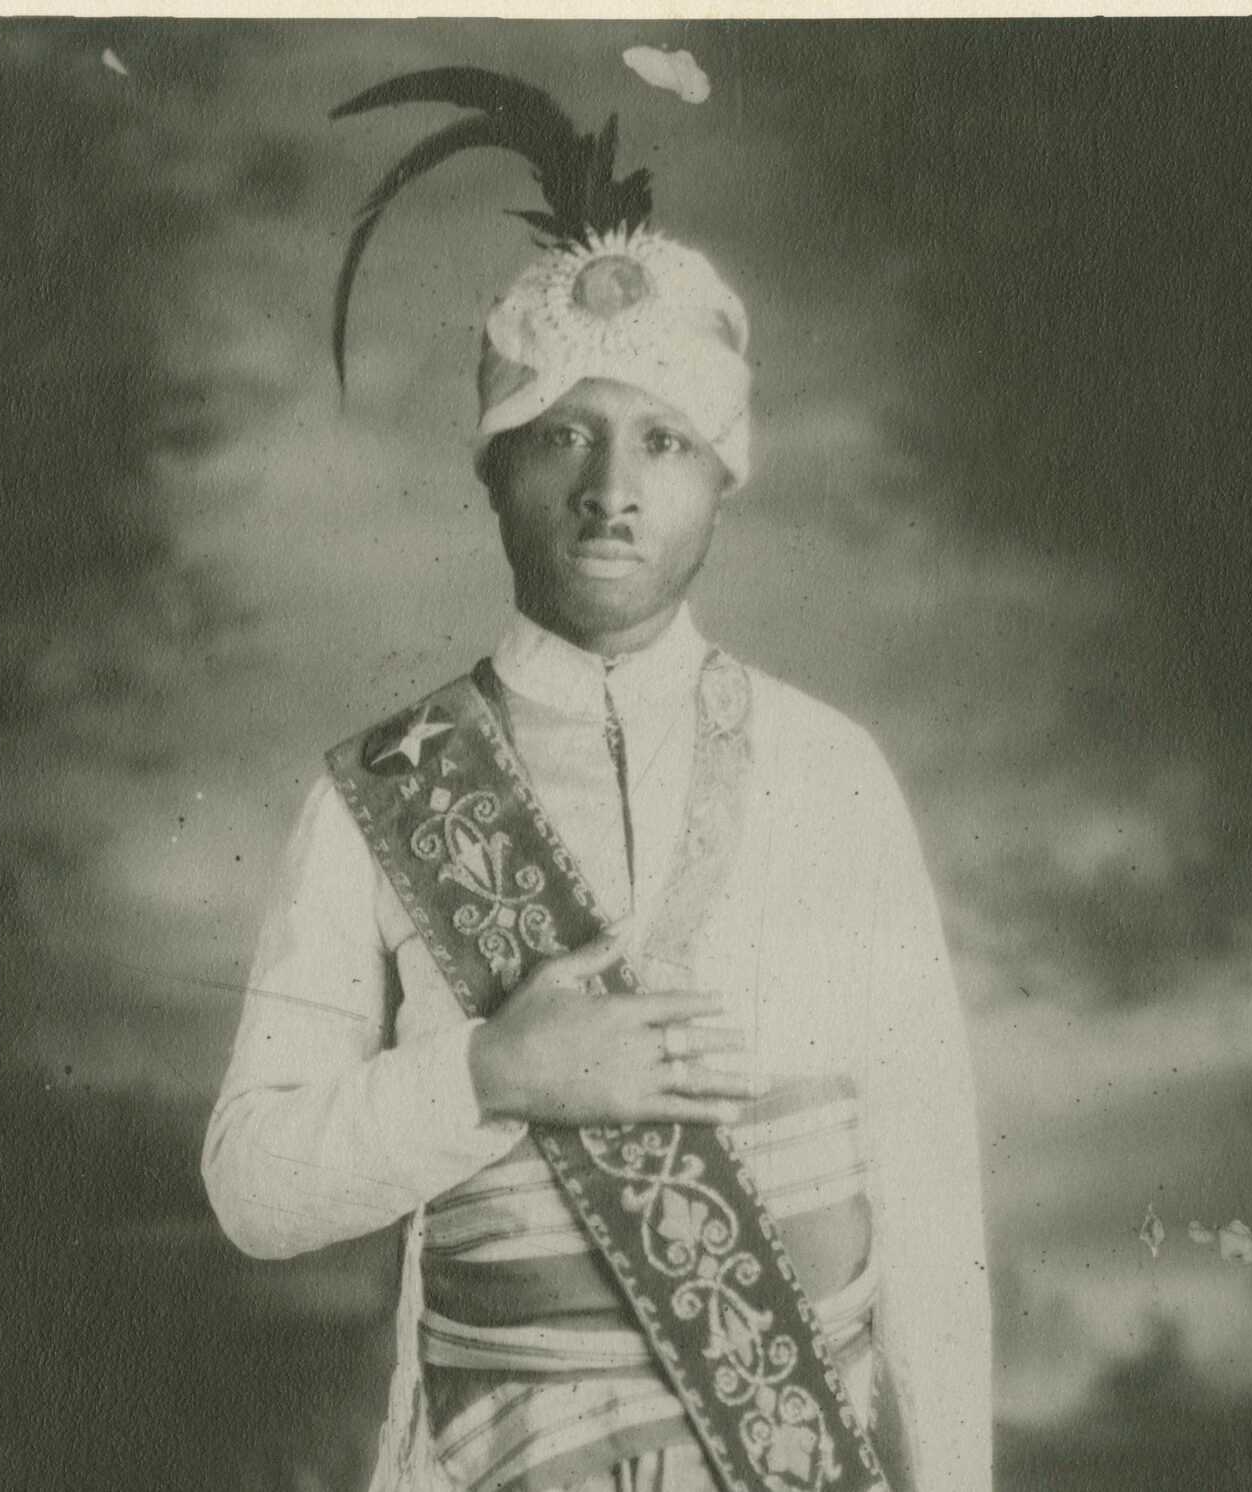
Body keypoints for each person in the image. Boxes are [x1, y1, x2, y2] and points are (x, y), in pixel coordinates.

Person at [203, 67, 990, 1492]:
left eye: (663, 441)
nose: (611, 489)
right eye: (564, 435)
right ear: (493, 472)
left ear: (721, 475)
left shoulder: (833, 775)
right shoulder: (380, 794)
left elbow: (928, 1210)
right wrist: (491, 1075)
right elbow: (253, 1186)